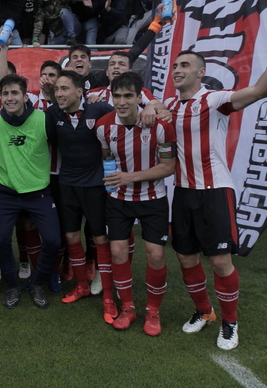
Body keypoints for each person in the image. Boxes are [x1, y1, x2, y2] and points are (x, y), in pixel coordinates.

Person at [164, 26, 267, 350]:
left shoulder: (213, 100)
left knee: (220, 261)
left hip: (215, 191)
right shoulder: (170, 105)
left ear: (201, 73)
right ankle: (204, 311)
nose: (177, 70)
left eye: (185, 65)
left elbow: (258, 90)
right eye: (175, 66)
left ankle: (230, 322)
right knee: (186, 258)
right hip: (183, 193)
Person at [95, 71, 176, 335]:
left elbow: (168, 167)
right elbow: (107, 156)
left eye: (128, 95)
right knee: (118, 253)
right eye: (117, 95)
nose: (121, 101)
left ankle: (153, 311)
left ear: (139, 97)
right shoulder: (103, 127)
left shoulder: (160, 125)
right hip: (119, 200)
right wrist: (114, 177)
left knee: (155, 255)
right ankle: (128, 307)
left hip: (153, 199)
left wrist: (130, 176)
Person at [0, 74, 62, 309]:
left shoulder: (43, 119)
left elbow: (60, 143)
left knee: (52, 240)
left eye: (15, 93)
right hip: (5, 193)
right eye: (5, 93)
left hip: (38, 192)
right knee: (1, 240)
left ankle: (37, 283)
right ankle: (12, 286)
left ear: (25, 96)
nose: (10, 98)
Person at [43, 70, 116, 319]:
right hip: (67, 184)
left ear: (79, 91)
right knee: (71, 235)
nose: (59, 94)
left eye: (64, 89)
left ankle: (107, 295)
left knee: (99, 238)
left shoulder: (101, 109)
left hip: (95, 185)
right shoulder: (52, 113)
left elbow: (126, 117)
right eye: (56, 90)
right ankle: (82, 285)